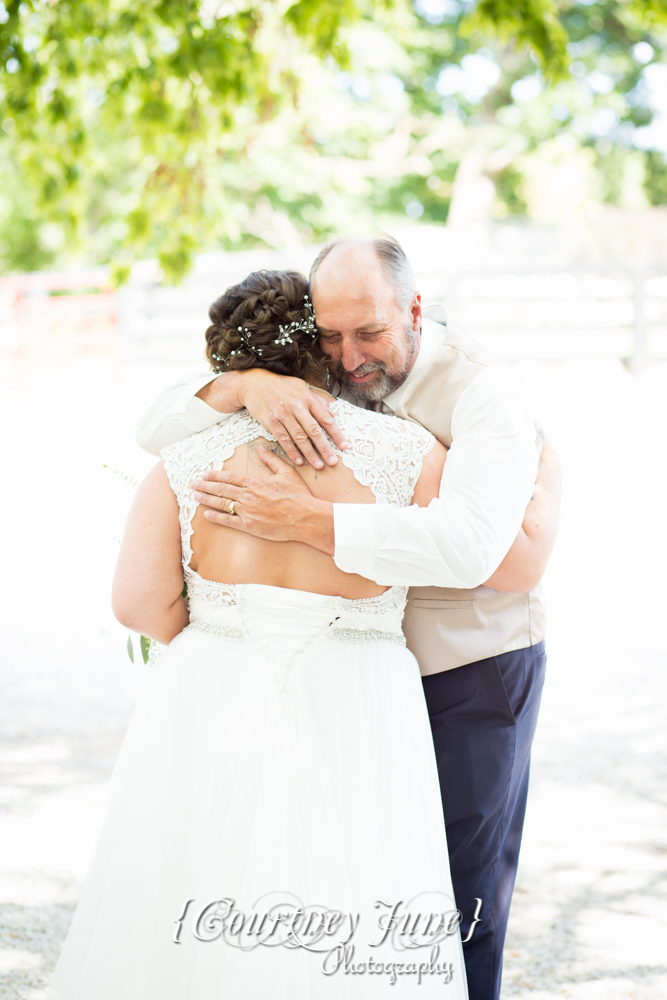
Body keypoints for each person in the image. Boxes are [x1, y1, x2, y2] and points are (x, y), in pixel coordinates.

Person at [136, 236, 562, 1000]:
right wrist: (244, 387)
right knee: (346, 885)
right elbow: (156, 427)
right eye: (328, 336)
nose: (348, 356)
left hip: (471, 668)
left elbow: (476, 551)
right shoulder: (303, 377)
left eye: (367, 334)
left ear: (413, 309)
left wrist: (307, 522)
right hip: (360, 677)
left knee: (453, 905)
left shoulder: (482, 394)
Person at [47, 269, 479, 999]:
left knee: (189, 887)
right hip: (359, 694)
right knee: (357, 888)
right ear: (325, 348)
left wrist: (227, 625)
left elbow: (138, 605)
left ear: (228, 360)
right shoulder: (410, 456)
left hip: (214, 681)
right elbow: (461, 559)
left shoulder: (180, 465)